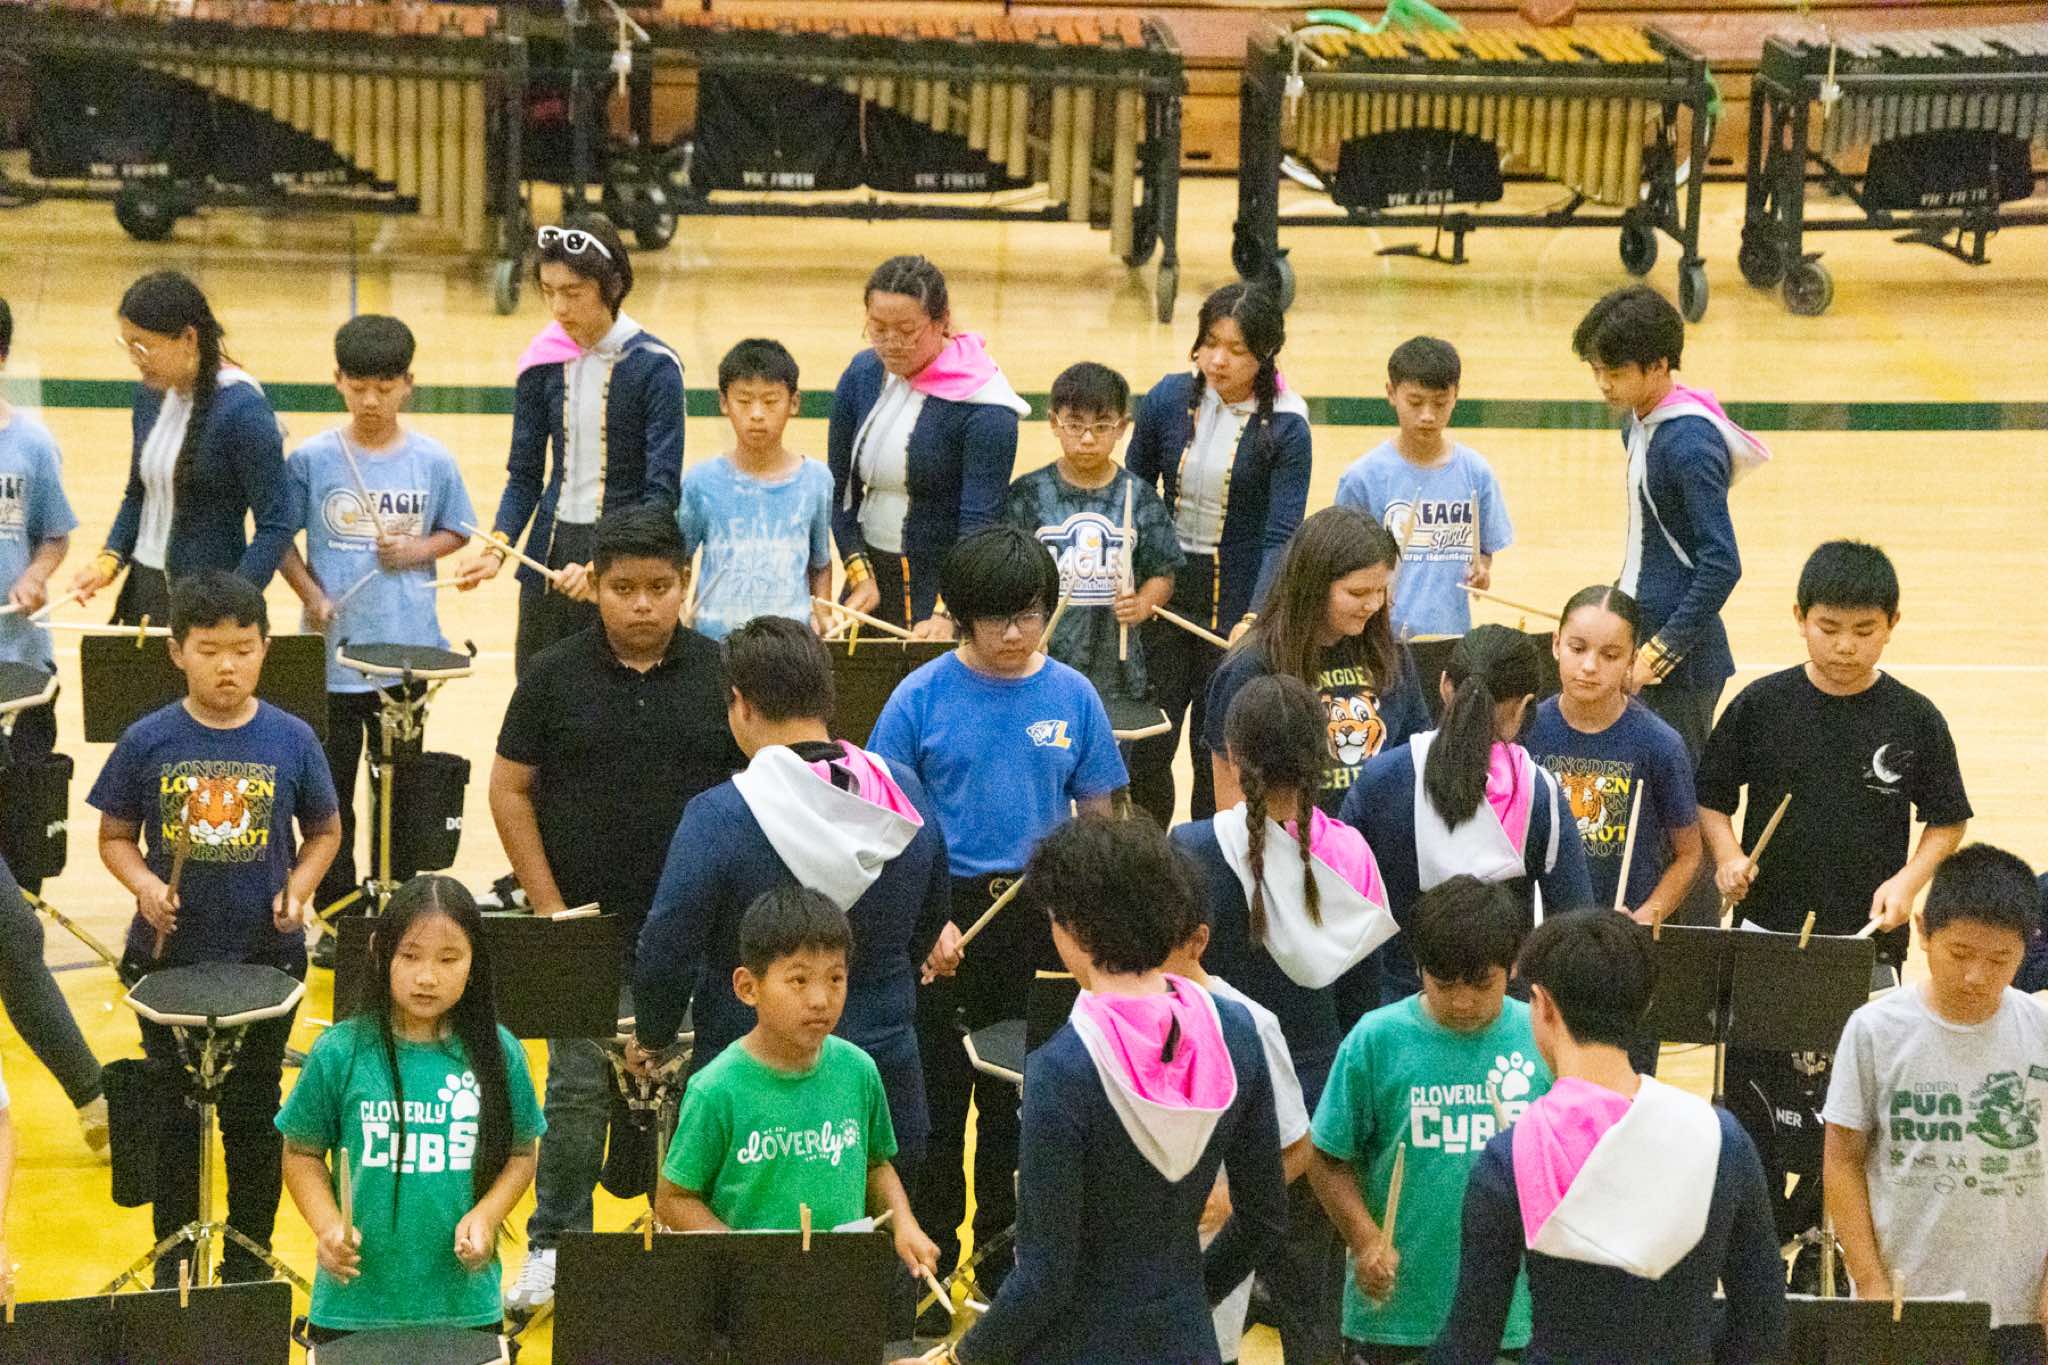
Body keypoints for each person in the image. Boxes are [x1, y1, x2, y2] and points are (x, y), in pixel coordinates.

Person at [898, 815, 1287, 1365]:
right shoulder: (1238, 1032)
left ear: (1072, 927)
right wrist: (1189, 1298)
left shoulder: (1062, 1068)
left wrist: (956, 1358)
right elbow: (1264, 1219)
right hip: (1187, 1341)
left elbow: (1044, 1277)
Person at [489, 504, 742, 1316]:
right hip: (583, 931)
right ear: (594, 585)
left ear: (684, 583)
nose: (642, 604)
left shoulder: (722, 673)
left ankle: (696, 1247)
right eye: (623, 587)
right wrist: (552, 910)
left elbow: (760, 787)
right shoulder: (552, 674)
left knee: (704, 1091)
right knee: (573, 1095)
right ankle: (555, 1247)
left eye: (659, 587)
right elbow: (510, 788)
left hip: (698, 933)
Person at [867, 526, 1125, 1297]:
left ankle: (1000, 1268)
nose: (1016, 634)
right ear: (960, 614)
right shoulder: (918, 698)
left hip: (1038, 917)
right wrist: (924, 921)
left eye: (1030, 615)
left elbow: (1100, 820)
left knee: (1020, 1102)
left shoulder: (1073, 695)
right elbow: (881, 823)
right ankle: (926, 1267)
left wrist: (1089, 925)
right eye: (997, 619)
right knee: (936, 1105)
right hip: (941, 912)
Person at [87, 570, 341, 1286]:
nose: (227, 665)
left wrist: (298, 888)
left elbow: (325, 831)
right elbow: (114, 836)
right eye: (209, 650)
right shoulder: (147, 738)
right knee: (173, 1117)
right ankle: (174, 1265)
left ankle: (246, 1266)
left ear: (265, 649)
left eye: (243, 648)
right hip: (169, 962)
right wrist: (145, 887)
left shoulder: (291, 738)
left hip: (265, 960)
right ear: (177, 652)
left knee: (254, 1113)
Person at [632, 616, 951, 1183]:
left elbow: (667, 949)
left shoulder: (720, 815)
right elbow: (931, 918)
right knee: (881, 1233)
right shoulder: (904, 792)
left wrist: (654, 1037)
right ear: (827, 694)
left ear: (740, 703)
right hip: (882, 1074)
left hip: (753, 1090)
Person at [1428, 912, 1787, 1364]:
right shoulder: (1723, 1140)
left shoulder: (1509, 1158)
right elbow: (1763, 1323)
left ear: (1542, 1005)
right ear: (1646, 1005)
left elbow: (1470, 1342)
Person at [1173, 674, 1397, 1365]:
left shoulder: (1188, 848)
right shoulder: (1351, 853)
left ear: (1234, 754)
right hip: (1319, 1120)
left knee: (1200, 1311)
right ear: (1320, 755)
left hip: (1210, 1109)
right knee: (1313, 1318)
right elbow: (1364, 1010)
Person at [269, 315, 475, 937]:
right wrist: (311, 595)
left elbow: (458, 530)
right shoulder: (312, 460)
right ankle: (338, 917)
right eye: (358, 386)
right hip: (333, 658)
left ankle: (400, 908)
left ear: (408, 384)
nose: (370, 400)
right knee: (330, 796)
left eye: (384, 387)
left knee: (401, 796)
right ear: (337, 380)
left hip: (407, 656)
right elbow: (279, 540)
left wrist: (416, 551)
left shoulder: (432, 460)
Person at [277, 875, 543, 1343]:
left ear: (474, 962)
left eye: (448, 959)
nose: (427, 977)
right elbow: (301, 1152)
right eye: (410, 956)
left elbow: (521, 1153)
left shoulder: (500, 1054)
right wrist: (327, 1228)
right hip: (352, 1307)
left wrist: (486, 1216)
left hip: (463, 1307)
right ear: (380, 954)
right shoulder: (339, 1051)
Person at [1309, 877, 1551, 1365]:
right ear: (1418, 967)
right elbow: (1326, 1158)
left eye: (1481, 985)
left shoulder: (1542, 1036)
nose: (1462, 1002)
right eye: (1444, 985)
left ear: (1513, 967)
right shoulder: (1376, 1039)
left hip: (1513, 1317)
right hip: (1397, 1316)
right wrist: (1365, 1239)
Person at [1823, 845, 2048, 1365]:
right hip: (1906, 1300)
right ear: (1924, 931)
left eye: (2000, 960)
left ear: (2028, 947)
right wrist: (1869, 1281)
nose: (1976, 976)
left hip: (2020, 1310)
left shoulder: (2039, 1031)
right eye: (1960, 954)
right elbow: (1841, 1159)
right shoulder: (1875, 1029)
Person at [655, 886, 940, 1287]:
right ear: (748, 987)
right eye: (799, 980)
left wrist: (904, 1222)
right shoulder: (716, 1088)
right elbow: (673, 1198)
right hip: (751, 1293)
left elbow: (875, 1165)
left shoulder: (858, 1070)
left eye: (836, 978)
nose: (821, 999)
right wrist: (742, 1259)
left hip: (838, 1285)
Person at [458, 216, 684, 674]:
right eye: (548, 291)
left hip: (621, 563)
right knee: (537, 689)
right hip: (549, 552)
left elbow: (660, 493)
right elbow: (524, 476)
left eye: (573, 292)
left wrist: (606, 567)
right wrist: (496, 549)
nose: (558, 307)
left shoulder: (655, 367)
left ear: (611, 286)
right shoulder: (542, 362)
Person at [1126, 282, 1311, 821]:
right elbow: (1134, 496)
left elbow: (1282, 534)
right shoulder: (1166, 399)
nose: (1218, 360)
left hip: (1238, 602)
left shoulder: (1288, 426)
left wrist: (1255, 616)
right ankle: (1146, 857)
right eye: (1210, 343)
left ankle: (1206, 858)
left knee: (1219, 755)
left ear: (1265, 355)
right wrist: (1140, 578)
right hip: (1164, 595)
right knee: (1148, 748)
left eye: (1236, 349)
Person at [1342, 625, 1593, 1001]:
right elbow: (1574, 923)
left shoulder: (1380, 779)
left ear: (1445, 686)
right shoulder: (1539, 792)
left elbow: (1344, 900)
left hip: (1400, 1005)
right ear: (1524, 706)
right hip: (1502, 1010)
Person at [1572, 284, 1765, 762]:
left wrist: (1660, 652)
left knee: (1679, 790)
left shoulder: (1690, 447)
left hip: (1682, 661)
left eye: (1615, 372)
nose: (1603, 384)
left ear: (1658, 365)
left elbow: (1722, 564)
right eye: (1596, 370)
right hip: (1638, 633)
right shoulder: (1636, 424)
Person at [1002, 361, 1181, 823]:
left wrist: (1144, 602)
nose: (1086, 438)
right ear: (1053, 422)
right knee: (1046, 769)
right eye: (1074, 425)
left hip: (1118, 672)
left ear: (1122, 427)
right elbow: (1009, 572)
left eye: (1101, 427)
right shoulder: (1028, 494)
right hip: (1046, 660)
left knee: (1109, 785)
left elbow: (1163, 571)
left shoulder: (1139, 496)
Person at [70, 271, 290, 621]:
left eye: (143, 346)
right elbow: (139, 493)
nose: (135, 358)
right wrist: (109, 558)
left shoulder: (244, 411)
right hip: (144, 589)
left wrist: (236, 601)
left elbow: (276, 525)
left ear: (189, 338)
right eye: (128, 345)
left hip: (211, 602)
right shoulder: (148, 396)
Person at [829, 255, 1028, 639]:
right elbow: (840, 492)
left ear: (942, 322)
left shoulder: (988, 409)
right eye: (877, 329)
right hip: (868, 586)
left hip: (943, 592)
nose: (890, 344)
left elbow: (979, 526)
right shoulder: (862, 374)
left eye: (906, 331)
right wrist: (860, 574)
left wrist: (948, 611)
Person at [1160, 890, 1313, 1365]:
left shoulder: (1249, 1023)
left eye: (1156, 949)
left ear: (1197, 941)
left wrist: (1231, 1198)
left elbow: (1298, 1146)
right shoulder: (1116, 1010)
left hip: (1209, 1257)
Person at [1206, 505, 1426, 818]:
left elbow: (1414, 756)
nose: (1373, 604)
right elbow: (1231, 794)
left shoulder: (1392, 654)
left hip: (1374, 841)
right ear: (1313, 586)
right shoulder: (1250, 667)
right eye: (1358, 592)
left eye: (1381, 590)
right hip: (1294, 841)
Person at [1523, 585, 1701, 928]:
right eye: (1577, 648)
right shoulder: (1524, 733)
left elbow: (1689, 854)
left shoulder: (1661, 744)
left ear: (1632, 660)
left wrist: (1643, 918)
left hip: (1619, 937)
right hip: (1542, 935)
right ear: (1556, 645)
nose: (1590, 666)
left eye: (1610, 655)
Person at [1333, 337, 1512, 639]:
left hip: (1451, 635)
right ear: (1391, 393)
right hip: (1378, 638)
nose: (1427, 415)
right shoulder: (1362, 479)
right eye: (1415, 402)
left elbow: (1483, 552)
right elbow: (1340, 566)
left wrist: (1481, 571)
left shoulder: (1477, 473)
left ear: (1456, 396)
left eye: (1440, 403)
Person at [675, 338, 834, 639]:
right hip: (714, 640)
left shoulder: (816, 480)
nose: (757, 414)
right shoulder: (700, 481)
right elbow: (678, 558)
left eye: (771, 401)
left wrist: (822, 614)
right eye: (744, 401)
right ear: (724, 402)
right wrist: (679, 610)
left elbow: (820, 563)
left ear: (794, 403)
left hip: (788, 644)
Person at [0, 292, 78, 892]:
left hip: (20, 658)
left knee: (24, 817)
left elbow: (54, 536)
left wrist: (35, 575)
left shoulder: (32, 443)